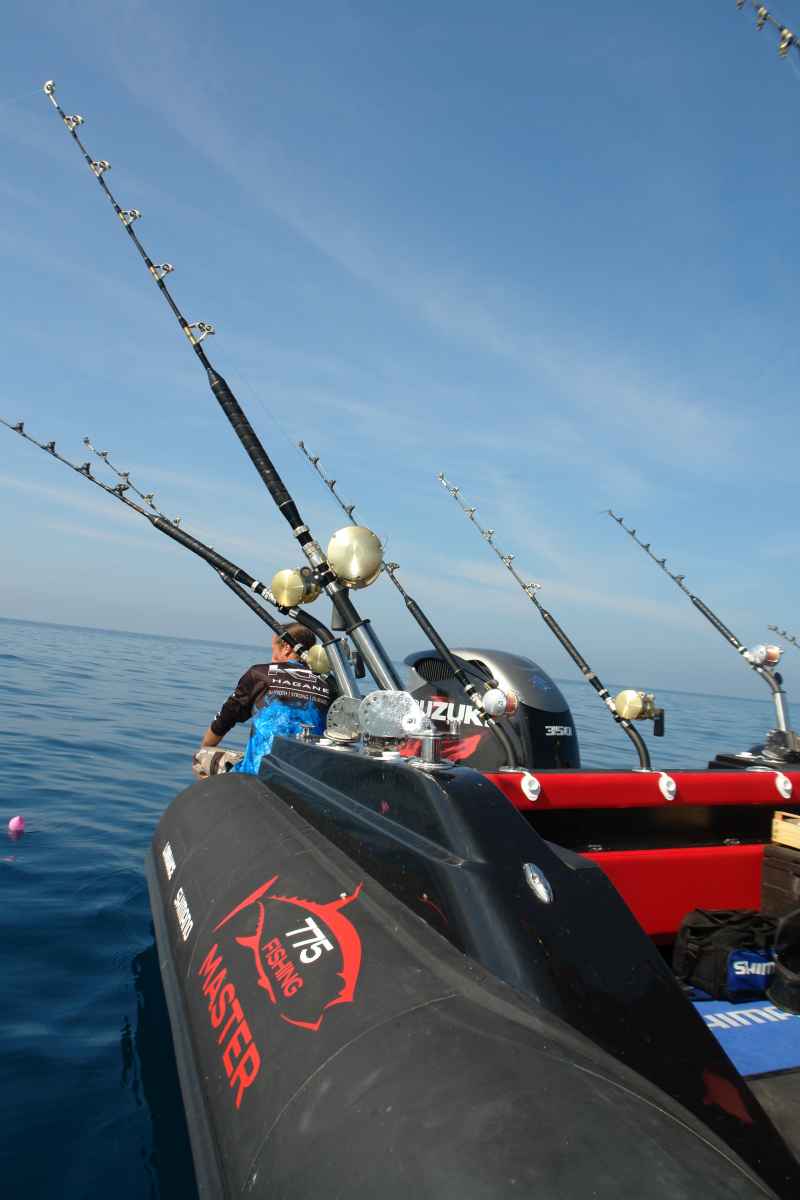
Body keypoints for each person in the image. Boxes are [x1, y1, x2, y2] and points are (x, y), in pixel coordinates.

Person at [197, 622, 332, 776]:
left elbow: (225, 718)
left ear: (287, 648)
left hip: (258, 774)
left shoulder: (260, 674)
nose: (272, 656)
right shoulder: (329, 684)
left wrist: (205, 747)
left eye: (273, 649)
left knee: (202, 758)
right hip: (307, 777)